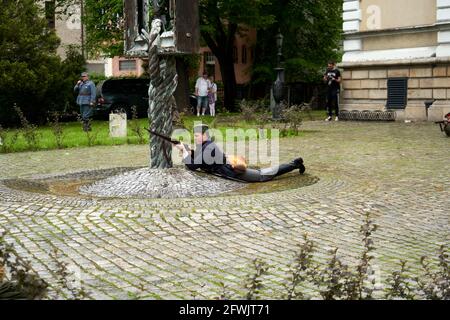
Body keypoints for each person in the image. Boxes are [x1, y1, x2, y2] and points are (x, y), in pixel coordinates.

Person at [175, 125, 305, 182]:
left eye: (197, 135)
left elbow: (193, 166)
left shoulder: (209, 148)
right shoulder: (205, 145)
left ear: (204, 135)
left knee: (264, 175)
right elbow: (198, 156)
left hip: (233, 171)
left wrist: (185, 151)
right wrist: (186, 149)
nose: (195, 138)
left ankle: (294, 164)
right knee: (265, 173)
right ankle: (294, 164)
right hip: (229, 169)